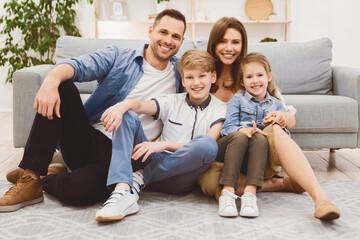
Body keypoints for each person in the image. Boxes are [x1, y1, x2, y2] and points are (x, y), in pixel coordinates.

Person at [0, 9, 187, 212]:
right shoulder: (119, 56)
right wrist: (51, 79)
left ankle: (47, 177)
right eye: (163, 32)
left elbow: (209, 86)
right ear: (151, 31)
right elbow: (78, 66)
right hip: (90, 139)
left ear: (182, 40)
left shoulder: (183, 73)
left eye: (175, 36)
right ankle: (31, 176)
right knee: (63, 87)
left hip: (128, 155)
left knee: (79, 191)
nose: (168, 40)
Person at [198, 17, 340, 220]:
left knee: (273, 128)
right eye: (222, 41)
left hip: (259, 151)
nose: (229, 48)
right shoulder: (201, 77)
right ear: (213, 43)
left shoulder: (254, 75)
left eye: (235, 42)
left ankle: (320, 198)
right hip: (224, 153)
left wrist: (282, 117)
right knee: (212, 182)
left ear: (242, 45)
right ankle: (282, 183)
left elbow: (289, 117)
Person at [94, 49, 227, 222]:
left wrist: (164, 145)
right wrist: (123, 105)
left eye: (202, 76)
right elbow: (141, 105)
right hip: (154, 159)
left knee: (208, 145)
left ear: (213, 77)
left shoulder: (220, 108)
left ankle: (140, 176)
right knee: (127, 114)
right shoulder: (172, 101)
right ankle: (123, 190)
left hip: (183, 176)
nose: (196, 83)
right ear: (183, 81)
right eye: (190, 77)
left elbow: (210, 143)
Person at [218, 52, 288, 218]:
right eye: (249, 76)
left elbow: (284, 139)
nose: (255, 80)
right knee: (243, 135)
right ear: (242, 81)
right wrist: (243, 130)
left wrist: (274, 125)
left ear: (268, 77)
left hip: (257, 156)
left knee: (259, 136)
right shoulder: (237, 100)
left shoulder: (277, 105)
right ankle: (227, 193)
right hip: (235, 150)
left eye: (260, 75)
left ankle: (250, 195)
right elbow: (227, 127)